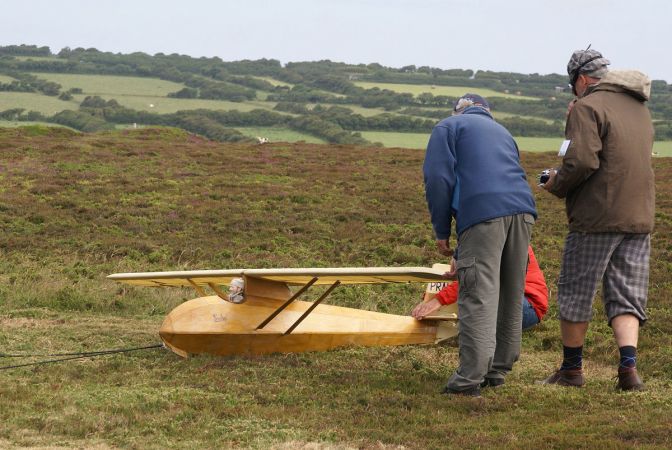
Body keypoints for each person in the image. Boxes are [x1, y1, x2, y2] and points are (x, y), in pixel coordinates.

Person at [539, 48, 655, 391]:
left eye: (573, 82)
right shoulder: (640, 107)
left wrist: (555, 183)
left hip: (596, 217)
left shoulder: (587, 106)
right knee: (627, 294)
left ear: (582, 79)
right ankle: (628, 370)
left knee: (577, 289)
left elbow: (582, 163)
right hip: (639, 216)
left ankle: (572, 371)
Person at [417, 93, 537, 396]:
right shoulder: (503, 132)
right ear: (487, 111)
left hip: (482, 214)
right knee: (510, 292)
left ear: (458, 111)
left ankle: (469, 380)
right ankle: (497, 371)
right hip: (523, 213)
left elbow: (437, 178)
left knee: (478, 294)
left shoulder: (449, 127)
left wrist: (442, 230)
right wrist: (461, 250)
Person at [414, 246, 548, 330]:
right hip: (512, 300)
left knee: (478, 299)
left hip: (528, 306)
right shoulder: (491, 237)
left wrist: (438, 300)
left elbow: (476, 277)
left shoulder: (501, 241)